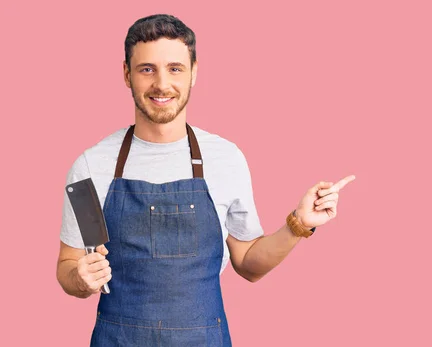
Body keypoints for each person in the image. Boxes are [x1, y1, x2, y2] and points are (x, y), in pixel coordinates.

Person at [56, 14, 355, 346]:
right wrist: (81, 280)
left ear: (194, 72)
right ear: (127, 74)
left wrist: (298, 224)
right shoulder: (90, 166)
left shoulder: (225, 159)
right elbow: (69, 265)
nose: (161, 84)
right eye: (146, 69)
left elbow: (249, 264)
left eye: (175, 68)